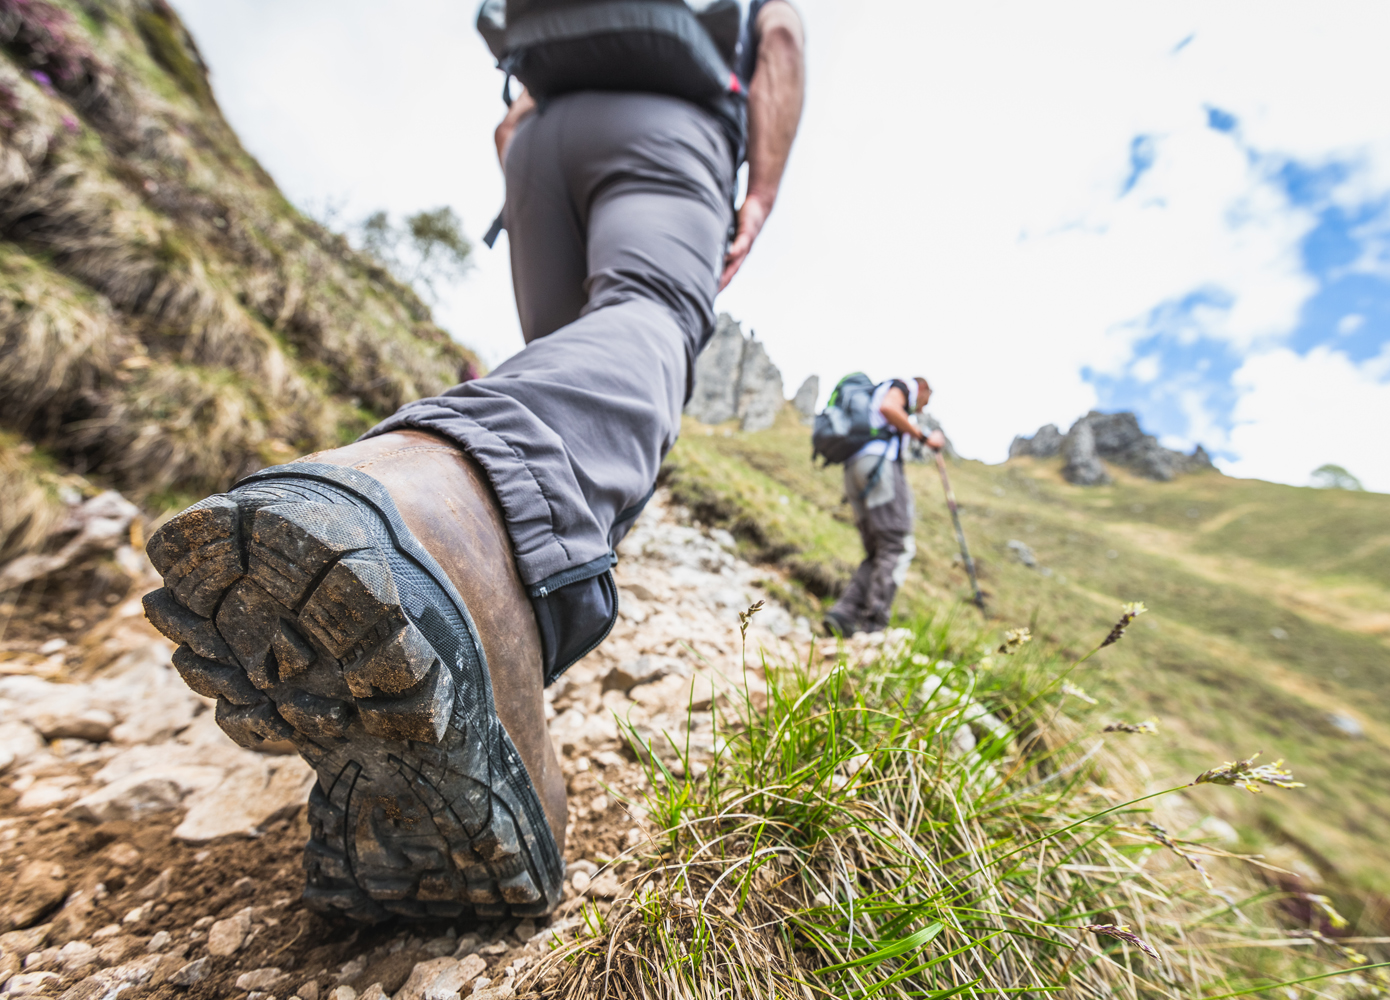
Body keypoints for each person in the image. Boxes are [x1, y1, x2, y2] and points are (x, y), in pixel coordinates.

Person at [140, 1, 805, 923]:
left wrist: (529, 148)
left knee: (572, 350)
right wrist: (759, 187)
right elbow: (779, 35)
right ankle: (440, 519)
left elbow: (510, 113)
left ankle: (473, 660)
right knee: (648, 316)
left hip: (537, 141)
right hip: (668, 124)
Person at [824, 378, 944, 637]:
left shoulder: (875, 394)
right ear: (922, 388)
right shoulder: (903, 387)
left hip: (854, 470)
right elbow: (889, 409)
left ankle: (844, 614)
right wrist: (924, 437)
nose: (923, 407)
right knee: (896, 544)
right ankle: (873, 627)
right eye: (926, 400)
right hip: (879, 467)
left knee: (877, 550)